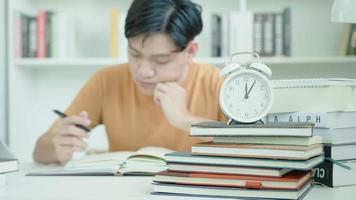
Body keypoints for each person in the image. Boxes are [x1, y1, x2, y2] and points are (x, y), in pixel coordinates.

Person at [33, 0, 226, 164]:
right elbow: (39, 151)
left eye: (161, 60)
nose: (143, 71)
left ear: (190, 52)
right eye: (134, 54)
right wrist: (57, 147)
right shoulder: (107, 80)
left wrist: (185, 119)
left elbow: (252, 150)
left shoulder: (218, 84)